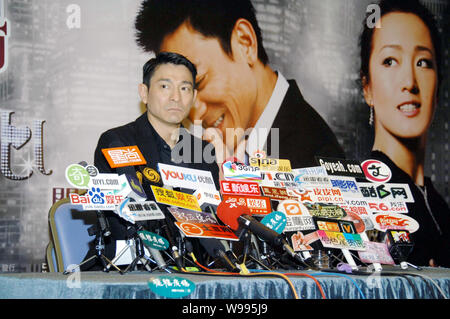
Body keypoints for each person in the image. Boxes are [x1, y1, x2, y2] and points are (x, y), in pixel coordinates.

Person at [134, 0, 345, 168]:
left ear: (245, 43)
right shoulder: (209, 151)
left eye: (199, 82)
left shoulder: (315, 157)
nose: (194, 115)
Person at [81, 52, 221, 270]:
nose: (176, 97)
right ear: (144, 93)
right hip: (129, 266)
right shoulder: (118, 141)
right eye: (165, 87)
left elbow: (210, 219)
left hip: (194, 268)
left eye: (184, 88)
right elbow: (128, 216)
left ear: (193, 97)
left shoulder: (203, 150)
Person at [359, 0, 449, 267]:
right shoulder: (359, 196)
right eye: (390, 61)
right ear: (367, 89)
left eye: (423, 62)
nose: (409, 82)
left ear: (438, 84)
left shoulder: (439, 207)